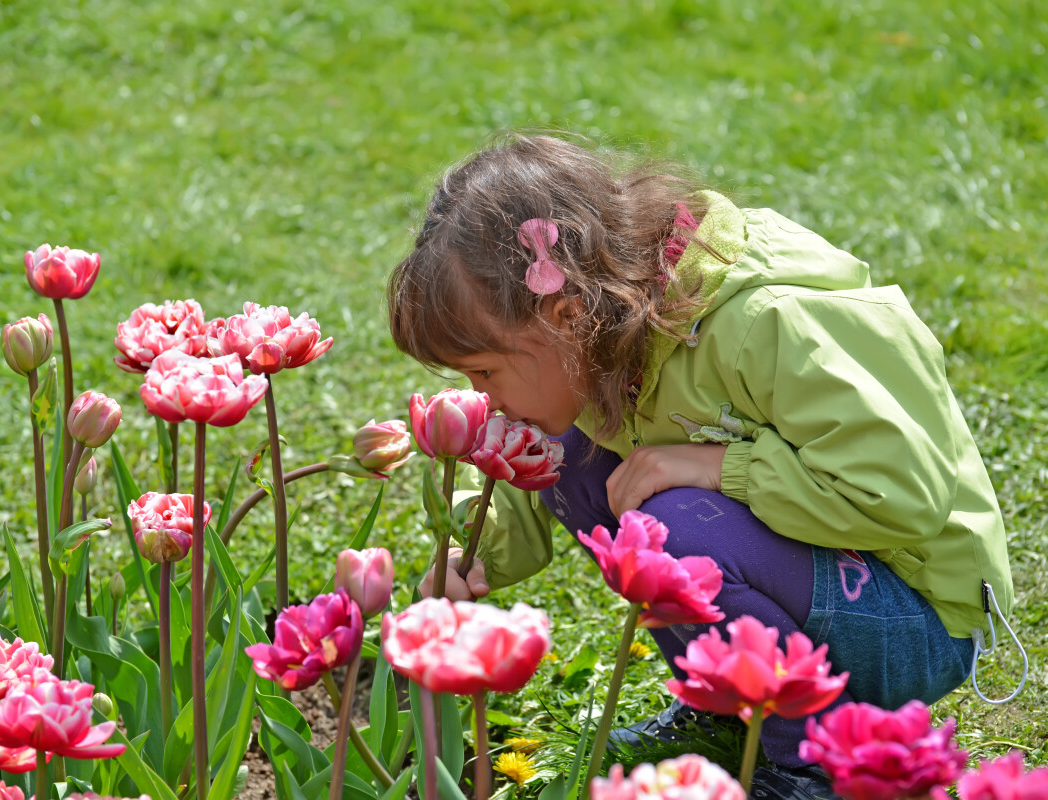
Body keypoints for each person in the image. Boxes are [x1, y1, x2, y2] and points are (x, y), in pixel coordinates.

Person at [388, 133, 1014, 800]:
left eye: (486, 370)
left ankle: (817, 761)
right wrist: (474, 557)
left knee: (675, 524)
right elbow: (545, 463)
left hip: (916, 614)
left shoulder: (770, 320)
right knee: (573, 455)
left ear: (566, 316)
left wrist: (718, 467)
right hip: (822, 574)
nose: (486, 397)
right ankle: (727, 702)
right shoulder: (606, 335)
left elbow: (897, 494)